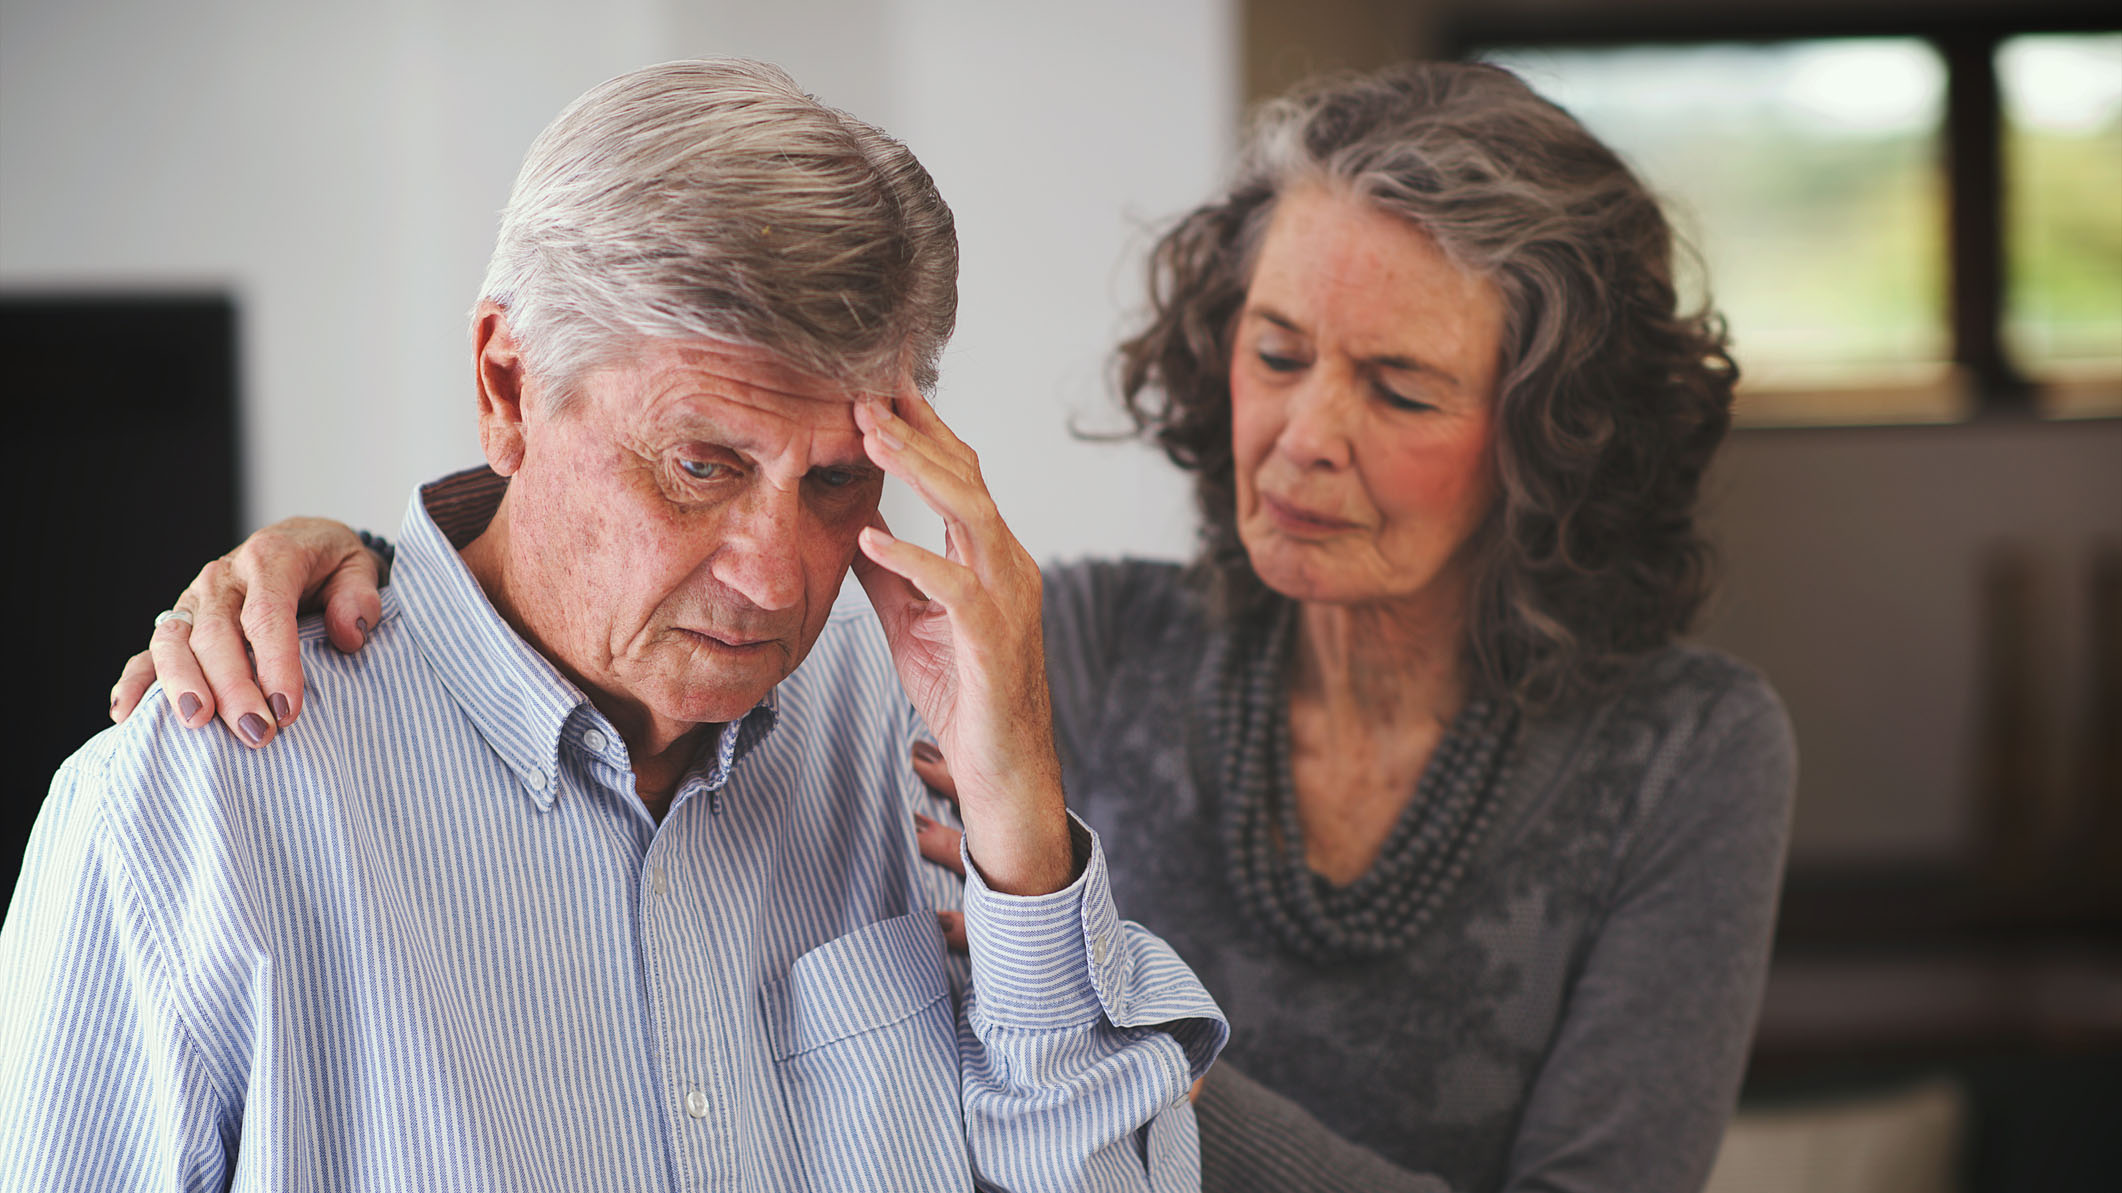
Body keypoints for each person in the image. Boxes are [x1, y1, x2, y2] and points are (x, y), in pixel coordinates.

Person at [107, 63, 1794, 1192]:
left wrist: (1116, 1021)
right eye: (1275, 352)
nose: (1303, 433)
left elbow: (1056, 1130)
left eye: (1399, 384)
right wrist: (353, 556)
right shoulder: (1062, 648)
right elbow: (562, 555)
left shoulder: (1685, 753)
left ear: (1545, 428)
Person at [3, 58, 1228, 1191]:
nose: (776, 575)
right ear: (505, 385)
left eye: (838, 482)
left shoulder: (915, 732)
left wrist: (1026, 842)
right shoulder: (189, 819)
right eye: (701, 465)